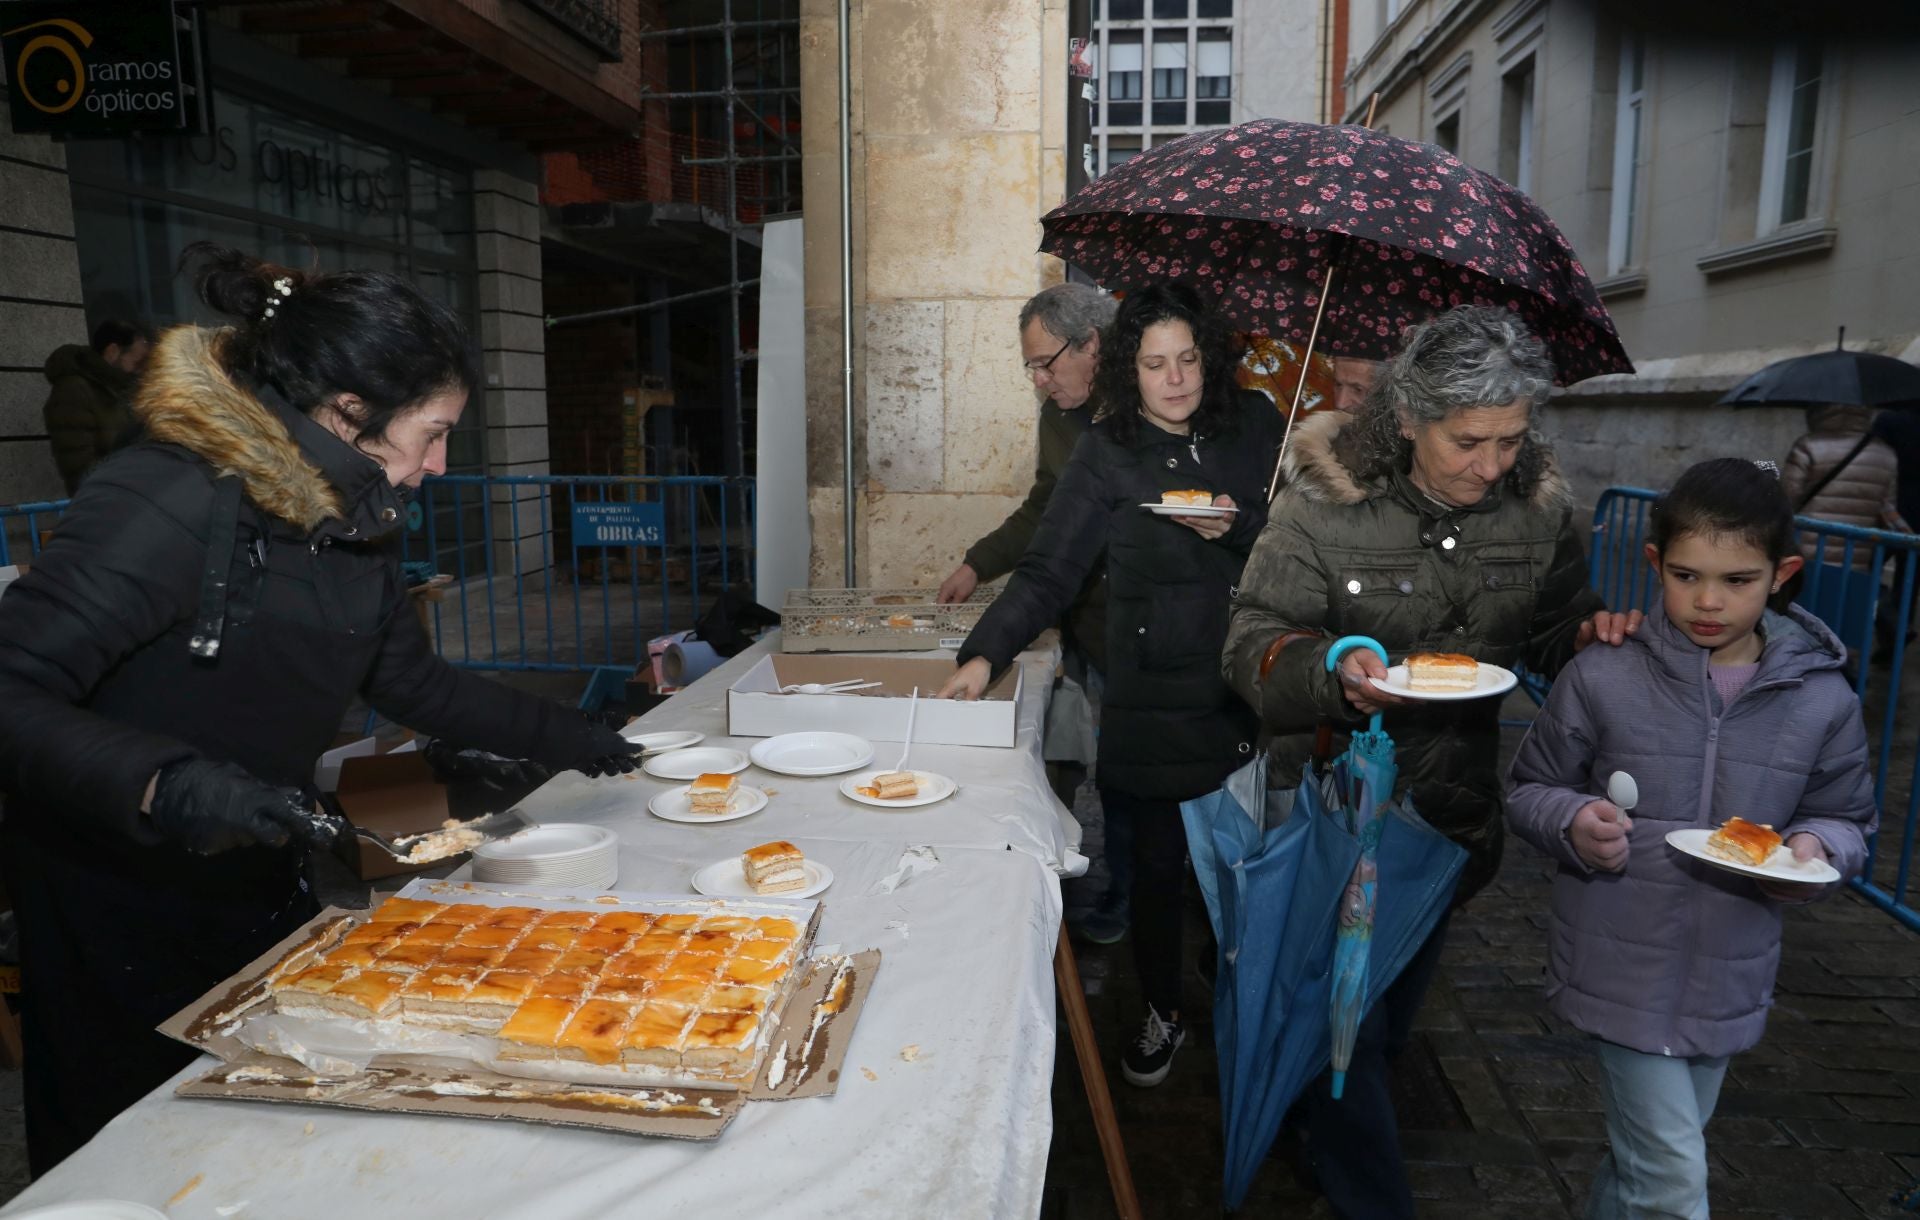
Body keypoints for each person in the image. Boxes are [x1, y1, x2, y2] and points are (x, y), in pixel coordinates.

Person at [0, 245, 642, 1173]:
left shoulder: (354, 514)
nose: (439, 463)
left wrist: (576, 737)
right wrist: (164, 784)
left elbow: (411, 684)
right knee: (129, 1144)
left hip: (253, 859)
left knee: (254, 1128)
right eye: (430, 432)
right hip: (114, 885)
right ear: (348, 414)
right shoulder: (167, 499)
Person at [1221, 305, 1638, 1218]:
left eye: (1510, 439)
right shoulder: (1323, 506)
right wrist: (1333, 668)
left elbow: (1558, 634)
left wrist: (1595, 637)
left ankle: (1313, 1116)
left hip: (1450, 826)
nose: (1491, 464)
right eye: (1469, 440)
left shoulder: (1533, 515)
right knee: (1351, 1039)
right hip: (1345, 821)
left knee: (1383, 1029)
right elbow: (1249, 639)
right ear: (1408, 418)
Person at [1507, 458, 1875, 1220]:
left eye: (1738, 579)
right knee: (1673, 1187)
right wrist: (1572, 823)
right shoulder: (1604, 672)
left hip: (1729, 975)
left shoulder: (1824, 699)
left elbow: (1846, 815)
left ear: (1784, 573)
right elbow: (1529, 787)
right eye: (1686, 575)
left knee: (1640, 1167)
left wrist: (1816, 851)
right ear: (1654, 565)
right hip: (1619, 964)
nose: (1708, 600)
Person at [940, 282, 1280, 1088]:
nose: (1176, 380)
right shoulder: (1106, 450)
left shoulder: (1257, 425)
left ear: (1209, 358)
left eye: (1189, 360)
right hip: (1150, 696)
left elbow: (1305, 548)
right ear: (1129, 367)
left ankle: (1243, 992)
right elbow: (1049, 570)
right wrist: (983, 656)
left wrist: (1245, 528)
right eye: (1156, 363)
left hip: (1242, 692)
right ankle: (1163, 1011)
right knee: (1156, 874)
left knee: (1242, 871)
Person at [936, 282, 1124, 941]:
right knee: (1115, 772)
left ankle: (1138, 898)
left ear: (1094, 345)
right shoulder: (1060, 418)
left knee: (1140, 776)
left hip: (1147, 629)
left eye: (1047, 363)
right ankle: (1121, 888)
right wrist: (977, 562)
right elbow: (1047, 511)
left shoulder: (1144, 412)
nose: (1040, 381)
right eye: (1031, 367)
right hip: (1089, 624)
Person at [1779, 403, 1909, 658]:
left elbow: (1786, 500)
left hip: (1807, 553)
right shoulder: (1885, 453)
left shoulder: (1809, 445)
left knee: (1801, 624)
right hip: (1856, 558)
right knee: (1841, 627)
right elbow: (1886, 510)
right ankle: (1842, 679)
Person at [42, 318, 152, 494]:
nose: (139, 371)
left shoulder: (121, 388)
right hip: (106, 498)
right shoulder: (75, 391)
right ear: (112, 351)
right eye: (136, 363)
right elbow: (78, 464)